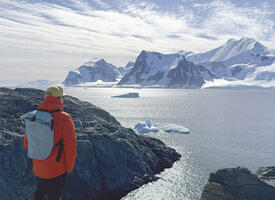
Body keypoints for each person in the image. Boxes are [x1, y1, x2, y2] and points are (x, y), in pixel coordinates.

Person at [24, 86, 77, 200]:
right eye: (62, 97)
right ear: (58, 99)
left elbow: (27, 144)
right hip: (57, 170)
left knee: (39, 195)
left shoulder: (34, 116)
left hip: (38, 169)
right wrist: (68, 168)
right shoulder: (65, 118)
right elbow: (70, 148)